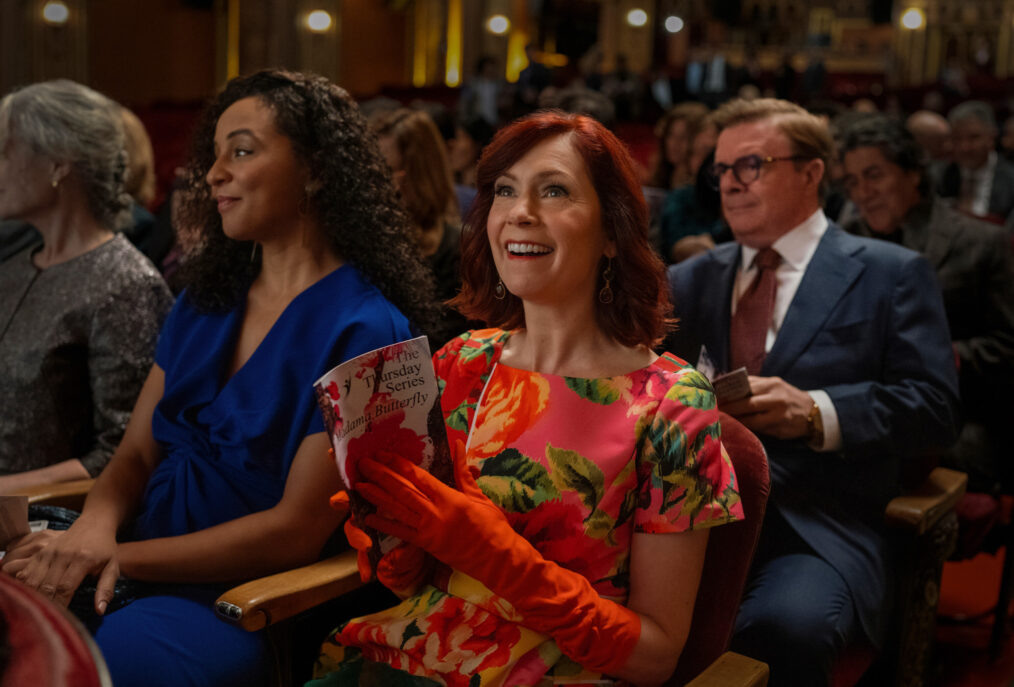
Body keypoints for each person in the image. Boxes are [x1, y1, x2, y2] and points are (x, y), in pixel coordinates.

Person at [1, 69, 437, 687]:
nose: (213, 174)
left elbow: (293, 533)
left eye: (241, 151)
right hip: (128, 553)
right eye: (214, 155)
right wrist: (93, 532)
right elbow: (131, 458)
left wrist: (114, 556)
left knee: (123, 653)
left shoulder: (372, 329)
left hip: (242, 598)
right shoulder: (204, 298)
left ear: (315, 168)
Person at [310, 111, 743, 686]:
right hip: (412, 658)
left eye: (554, 190)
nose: (519, 212)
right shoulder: (461, 362)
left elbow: (656, 656)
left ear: (612, 232)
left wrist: (492, 552)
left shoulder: (671, 401)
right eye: (505, 191)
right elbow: (421, 588)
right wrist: (399, 540)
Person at [664, 98, 960, 686]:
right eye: (720, 170)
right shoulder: (690, 279)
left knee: (785, 630)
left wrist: (817, 412)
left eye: (750, 165)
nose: (730, 184)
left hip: (817, 524)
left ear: (810, 171)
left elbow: (936, 408)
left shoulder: (888, 272)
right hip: (690, 518)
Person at [0, 80, 173, 493]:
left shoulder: (125, 285)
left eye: (5, 153)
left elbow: (123, 455)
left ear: (59, 164)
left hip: (47, 524)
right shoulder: (14, 270)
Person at [840, 115, 1014, 492]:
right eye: (852, 182)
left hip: (958, 417)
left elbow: (1007, 345)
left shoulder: (982, 241)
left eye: (874, 175)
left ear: (913, 173)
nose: (862, 193)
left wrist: (941, 356)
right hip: (863, 408)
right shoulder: (843, 243)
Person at [372, 108, 471, 346]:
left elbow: (447, 347)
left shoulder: (459, 249)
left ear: (418, 176)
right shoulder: (362, 244)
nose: (371, 184)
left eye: (385, 172)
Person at [935, 100, 1014, 224]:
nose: (965, 147)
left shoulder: (1011, 180)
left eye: (974, 137)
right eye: (957, 138)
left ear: (992, 137)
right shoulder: (939, 175)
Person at [647, 102, 710, 190]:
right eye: (670, 135)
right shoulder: (662, 171)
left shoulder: (700, 185)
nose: (674, 144)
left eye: (683, 137)